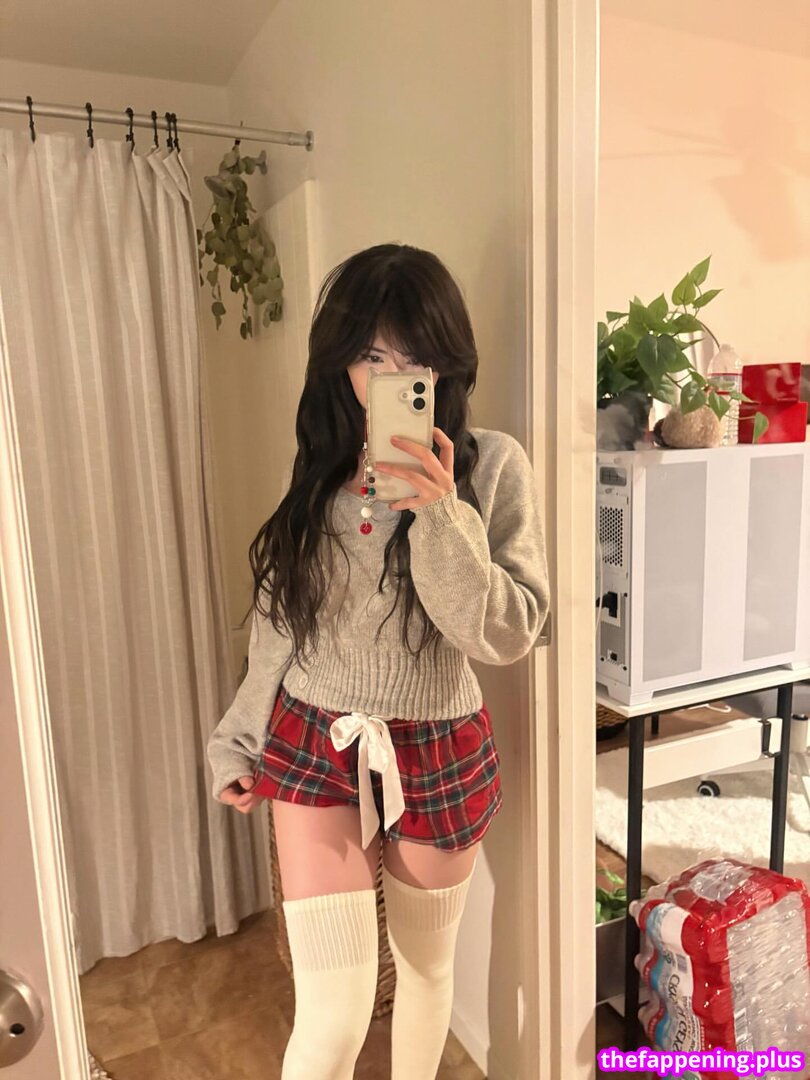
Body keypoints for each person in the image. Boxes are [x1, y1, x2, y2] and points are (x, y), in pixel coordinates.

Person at [206, 242, 551, 1079]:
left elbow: (507, 633)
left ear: (447, 363)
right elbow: (281, 621)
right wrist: (239, 737)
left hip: (439, 743)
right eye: (371, 356)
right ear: (341, 363)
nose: (392, 376)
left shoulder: (494, 465)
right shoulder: (319, 467)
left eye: (414, 358)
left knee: (426, 975)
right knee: (332, 1011)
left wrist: (440, 511)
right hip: (315, 736)